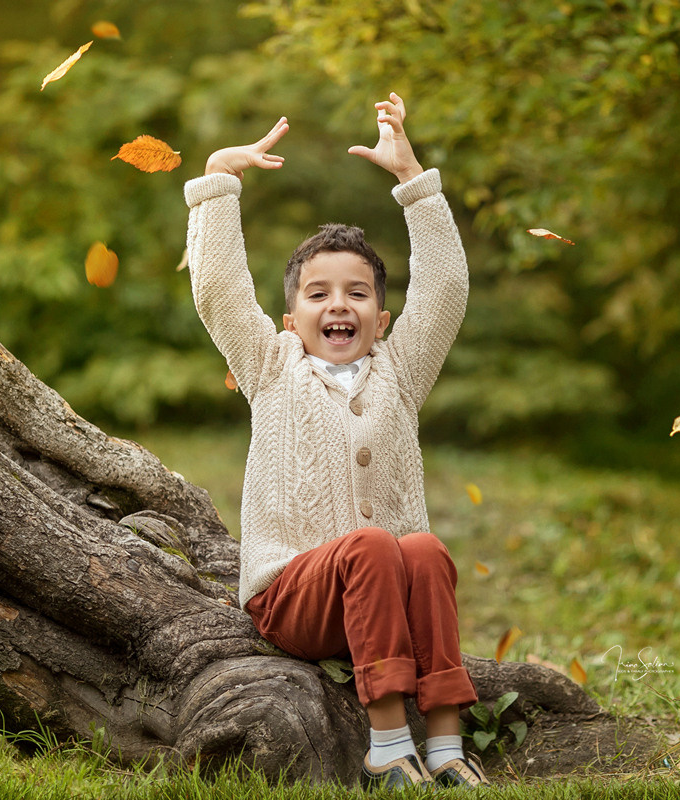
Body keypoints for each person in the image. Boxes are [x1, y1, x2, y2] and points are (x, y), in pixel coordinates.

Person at [183, 93, 487, 790]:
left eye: (357, 293)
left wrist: (411, 178)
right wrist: (217, 183)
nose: (339, 305)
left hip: (390, 597)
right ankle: (386, 745)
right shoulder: (269, 364)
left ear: (382, 318)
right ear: (291, 318)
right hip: (295, 595)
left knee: (424, 549)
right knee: (375, 546)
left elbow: (445, 286)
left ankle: (443, 743)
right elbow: (220, 289)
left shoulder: (401, 370)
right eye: (319, 294)